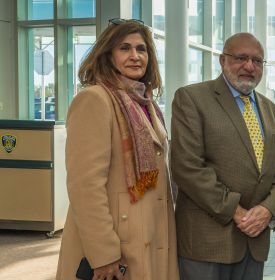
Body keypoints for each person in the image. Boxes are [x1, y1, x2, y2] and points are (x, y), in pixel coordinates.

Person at [56, 19, 179, 280]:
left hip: (149, 234)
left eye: (141, 49)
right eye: (124, 48)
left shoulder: (147, 104)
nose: (135, 56)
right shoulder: (94, 100)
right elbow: (85, 186)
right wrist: (103, 254)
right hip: (116, 244)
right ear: (108, 56)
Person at [171, 32, 275, 280]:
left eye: (257, 61)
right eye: (241, 58)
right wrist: (237, 212)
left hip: (254, 241)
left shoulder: (273, 111)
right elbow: (187, 167)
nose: (249, 66)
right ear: (222, 60)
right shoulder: (192, 99)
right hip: (207, 242)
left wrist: (268, 210)